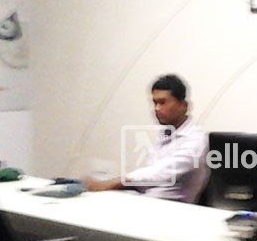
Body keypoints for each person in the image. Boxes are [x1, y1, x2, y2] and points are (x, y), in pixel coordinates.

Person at [84, 74, 209, 203]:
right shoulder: (167, 134)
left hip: (170, 208)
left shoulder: (195, 140)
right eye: (155, 103)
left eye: (162, 102)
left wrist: (110, 184)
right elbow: (146, 181)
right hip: (148, 201)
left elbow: (158, 174)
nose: (157, 109)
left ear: (184, 105)